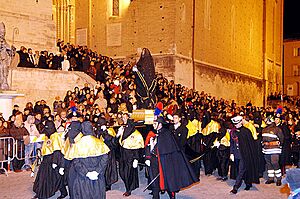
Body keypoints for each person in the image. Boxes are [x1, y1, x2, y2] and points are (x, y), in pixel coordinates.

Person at [145, 116, 198, 199]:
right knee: (154, 179)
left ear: (160, 124)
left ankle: (172, 196)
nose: (153, 125)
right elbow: (147, 146)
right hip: (154, 160)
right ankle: (156, 196)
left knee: (169, 179)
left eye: (155, 123)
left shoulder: (167, 134)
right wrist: (148, 157)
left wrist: (157, 144)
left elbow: (169, 148)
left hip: (165, 160)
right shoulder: (152, 133)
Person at [67, 121, 110, 199]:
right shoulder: (99, 143)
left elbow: (76, 162)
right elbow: (105, 158)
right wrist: (97, 171)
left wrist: (86, 173)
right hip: (98, 177)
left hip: (83, 178)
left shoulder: (77, 144)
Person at [33, 120, 67, 199]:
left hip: (53, 158)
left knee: (57, 177)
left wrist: (55, 162)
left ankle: (63, 192)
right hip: (46, 158)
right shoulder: (47, 135)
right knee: (43, 176)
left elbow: (57, 150)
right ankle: (40, 191)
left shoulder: (55, 136)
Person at [229, 115, 259, 194]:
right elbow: (232, 143)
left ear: (241, 122)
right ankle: (248, 183)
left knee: (241, 170)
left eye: (237, 123)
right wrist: (231, 153)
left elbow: (251, 144)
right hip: (236, 154)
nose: (236, 125)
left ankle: (235, 187)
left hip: (244, 155)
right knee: (240, 170)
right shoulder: (233, 131)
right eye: (235, 124)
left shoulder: (246, 131)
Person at [117, 113, 144, 197]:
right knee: (122, 172)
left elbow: (137, 147)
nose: (124, 119)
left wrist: (136, 159)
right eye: (123, 118)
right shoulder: (122, 129)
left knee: (127, 173)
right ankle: (132, 185)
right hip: (123, 155)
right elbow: (118, 143)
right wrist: (118, 134)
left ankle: (128, 189)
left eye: (125, 117)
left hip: (130, 156)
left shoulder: (136, 134)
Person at [262, 116, 284, 186]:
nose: (265, 121)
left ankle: (278, 178)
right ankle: (271, 178)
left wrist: (279, 145)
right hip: (266, 149)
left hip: (275, 149)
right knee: (268, 163)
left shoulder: (277, 129)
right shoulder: (264, 129)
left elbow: (281, 139)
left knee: (275, 163)